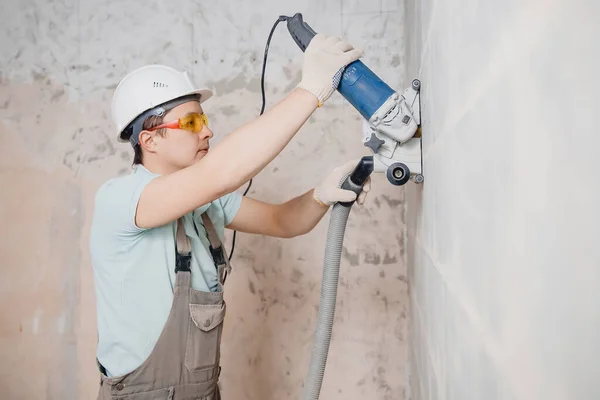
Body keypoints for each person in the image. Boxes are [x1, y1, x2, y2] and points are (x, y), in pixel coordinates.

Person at [90, 33, 370, 399]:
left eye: (203, 120)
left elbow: (284, 222)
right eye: (190, 124)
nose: (207, 131)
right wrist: (311, 89)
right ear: (150, 140)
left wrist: (320, 195)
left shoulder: (207, 207)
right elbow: (220, 174)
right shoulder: (120, 200)